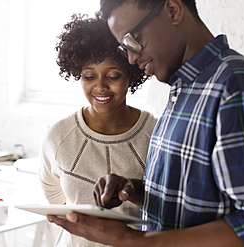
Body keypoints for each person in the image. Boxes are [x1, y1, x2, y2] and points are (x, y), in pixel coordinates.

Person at [46, 0, 244, 246]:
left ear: (173, 10)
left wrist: (132, 239)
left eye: (133, 39)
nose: (131, 58)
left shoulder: (238, 87)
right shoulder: (185, 88)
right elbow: (191, 204)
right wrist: (133, 190)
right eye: (124, 47)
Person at [39, 14, 157, 246]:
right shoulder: (58, 135)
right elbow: (54, 196)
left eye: (113, 76)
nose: (100, 86)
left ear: (130, 76)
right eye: (89, 76)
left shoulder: (155, 133)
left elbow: (165, 205)